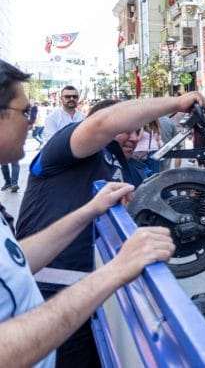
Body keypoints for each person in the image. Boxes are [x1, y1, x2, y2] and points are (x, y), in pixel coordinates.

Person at [0, 58, 175, 368]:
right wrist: (118, 269)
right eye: (26, 112)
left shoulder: (117, 163)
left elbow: (14, 258)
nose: (30, 122)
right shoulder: (63, 147)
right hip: (56, 296)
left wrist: (91, 209)